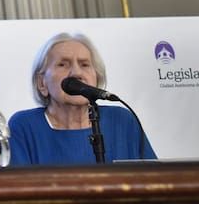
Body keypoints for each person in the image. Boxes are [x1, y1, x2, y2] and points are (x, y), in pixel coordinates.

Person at [8, 32, 156, 165]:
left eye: (85, 64)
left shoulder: (122, 121)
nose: (76, 73)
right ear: (42, 83)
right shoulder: (24, 126)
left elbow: (154, 180)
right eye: (63, 65)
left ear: (96, 78)